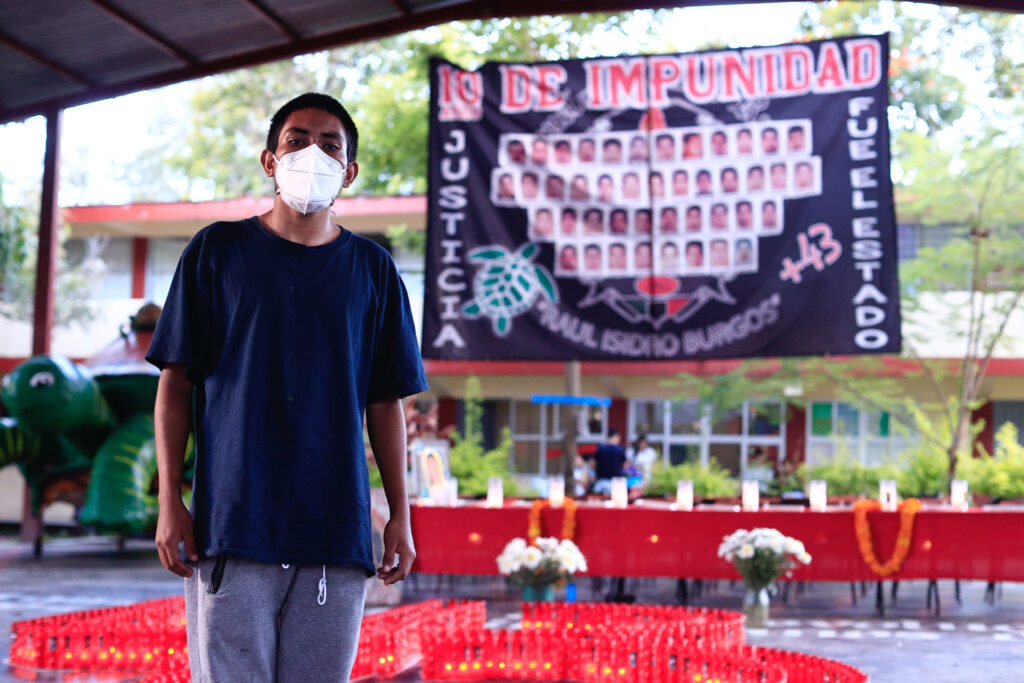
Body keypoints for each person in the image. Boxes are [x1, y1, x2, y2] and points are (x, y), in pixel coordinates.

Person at [149, 92, 428, 682]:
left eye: (331, 146)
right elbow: (175, 383)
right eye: (296, 141)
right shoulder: (217, 252)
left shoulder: (373, 270)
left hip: (335, 530)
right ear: (269, 161)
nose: (312, 154)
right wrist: (170, 499)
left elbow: (386, 402)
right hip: (233, 523)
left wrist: (399, 515)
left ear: (349, 172)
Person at [588, 430, 627, 495]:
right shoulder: (620, 450)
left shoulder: (600, 448)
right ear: (616, 437)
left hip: (600, 482)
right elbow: (625, 465)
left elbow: (592, 464)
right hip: (615, 483)